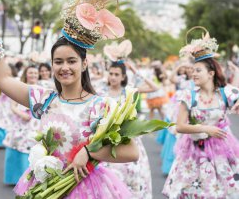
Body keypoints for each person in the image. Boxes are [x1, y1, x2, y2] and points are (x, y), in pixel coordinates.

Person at [0, 14, 139, 198]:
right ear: (52, 65)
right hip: (46, 186)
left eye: (71, 61)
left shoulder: (101, 106)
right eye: (58, 62)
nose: (64, 67)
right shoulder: (44, 99)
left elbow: (131, 152)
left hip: (85, 188)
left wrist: (89, 153)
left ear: (84, 64)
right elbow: (0, 79)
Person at [163, 28, 239, 198]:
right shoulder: (188, 95)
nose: (193, 73)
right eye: (193, 70)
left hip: (220, 153)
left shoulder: (225, 93)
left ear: (211, 73)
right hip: (193, 153)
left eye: (198, 70)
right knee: (192, 191)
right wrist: (206, 129)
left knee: (219, 191)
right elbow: (180, 126)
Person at [101, 41, 157, 198]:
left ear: (123, 76)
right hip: (106, 138)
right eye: (111, 73)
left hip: (127, 139)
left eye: (116, 74)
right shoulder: (100, 91)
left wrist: (135, 70)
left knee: (130, 177)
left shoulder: (129, 91)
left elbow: (154, 88)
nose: (113, 77)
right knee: (108, 179)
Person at [3, 65, 40, 185]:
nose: (33, 75)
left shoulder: (42, 88)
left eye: (35, 73)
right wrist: (21, 114)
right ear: (26, 74)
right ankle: (16, 177)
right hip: (21, 121)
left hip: (37, 122)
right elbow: (12, 106)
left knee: (35, 147)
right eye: (30, 72)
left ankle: (34, 177)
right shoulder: (19, 87)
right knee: (17, 146)